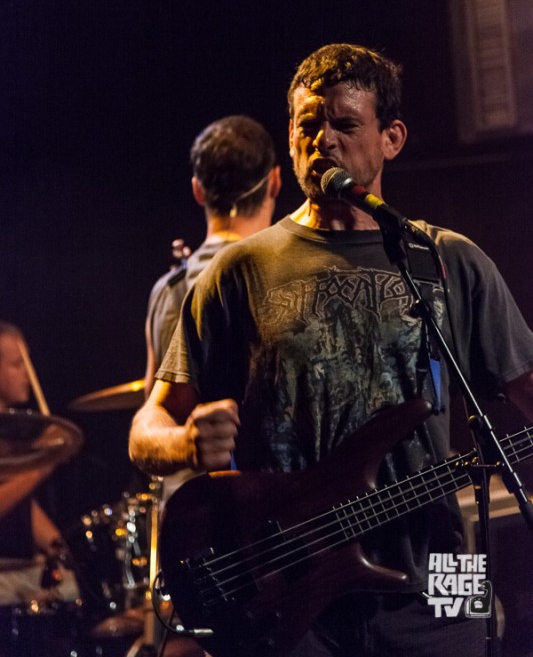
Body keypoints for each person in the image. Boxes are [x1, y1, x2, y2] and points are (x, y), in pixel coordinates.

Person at [129, 44, 533, 657]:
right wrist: (183, 441)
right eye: (307, 126)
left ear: (391, 138)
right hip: (290, 597)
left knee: (489, 629)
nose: (324, 142)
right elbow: (144, 430)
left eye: (344, 125)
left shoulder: (448, 259)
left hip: (442, 572)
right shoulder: (240, 270)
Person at [144, 114, 281, 398]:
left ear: (197, 190)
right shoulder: (284, 275)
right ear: (275, 181)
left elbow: (153, 405)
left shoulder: (165, 292)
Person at [0, 321, 79, 609]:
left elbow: (20, 509)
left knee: (79, 582)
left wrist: (61, 548)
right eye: (17, 364)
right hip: (4, 572)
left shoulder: (8, 436)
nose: (27, 375)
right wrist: (43, 466)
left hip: (16, 568)